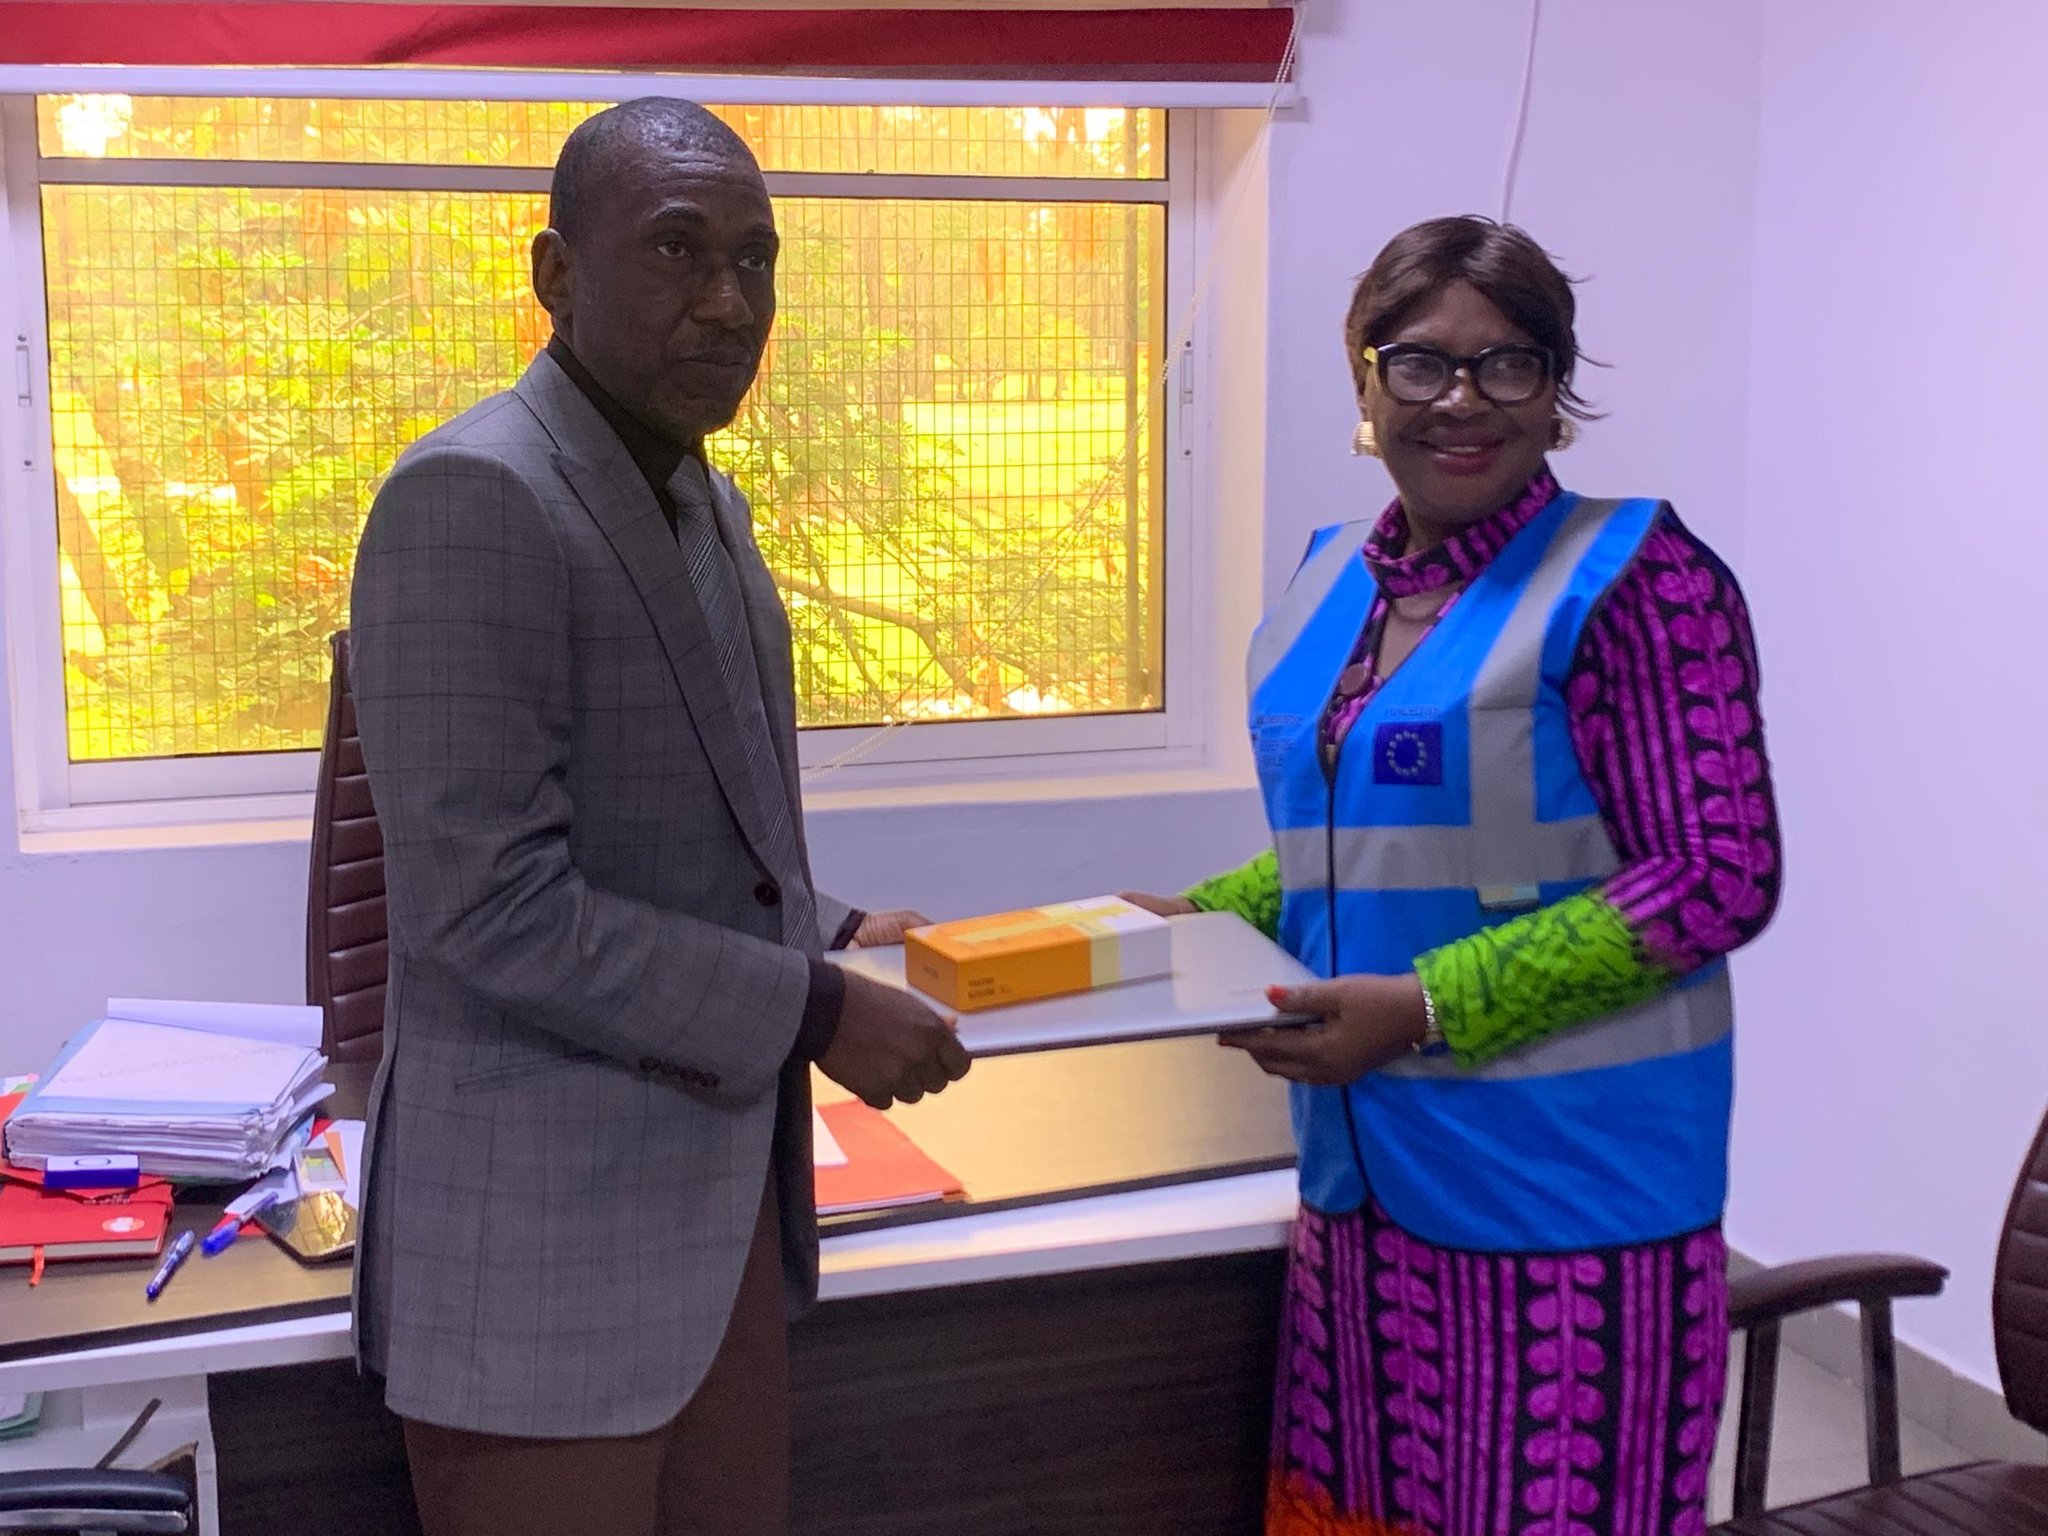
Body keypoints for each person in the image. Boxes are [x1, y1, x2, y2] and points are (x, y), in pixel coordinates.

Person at [347, 98, 970, 1536]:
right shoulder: (473, 492)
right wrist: (816, 1007)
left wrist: (836, 928)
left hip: (713, 1214)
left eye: (756, 260)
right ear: (556, 274)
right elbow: (489, 908)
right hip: (537, 1262)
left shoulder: (698, 494)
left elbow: (691, 829)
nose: (730, 301)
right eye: (680, 250)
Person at [1125, 216, 1780, 1536]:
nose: (1462, 401)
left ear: (1557, 387)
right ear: (1365, 380)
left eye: (1508, 364)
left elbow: (1716, 874)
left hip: (1571, 1210)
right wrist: (1195, 922)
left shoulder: (1638, 581)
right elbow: (1353, 842)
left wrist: (1422, 1008)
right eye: (1421, 363)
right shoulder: (1329, 584)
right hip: (1365, 1184)